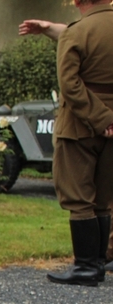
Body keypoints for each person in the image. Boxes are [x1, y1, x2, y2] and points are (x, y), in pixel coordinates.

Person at [43, 0, 113, 285]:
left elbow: (70, 84)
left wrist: (100, 118)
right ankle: (99, 261)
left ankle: (86, 266)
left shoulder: (76, 32)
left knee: (78, 194)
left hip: (80, 125)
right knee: (104, 197)